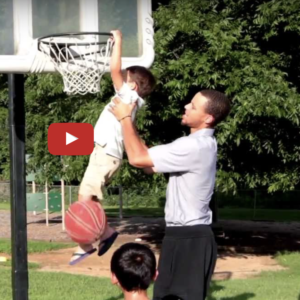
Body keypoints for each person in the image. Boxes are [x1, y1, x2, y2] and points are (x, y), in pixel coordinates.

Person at [109, 89, 231, 300]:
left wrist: (125, 117)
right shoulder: (196, 145)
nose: (186, 106)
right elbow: (147, 163)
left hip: (190, 239)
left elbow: (137, 159)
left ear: (208, 118)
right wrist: (129, 121)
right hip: (182, 235)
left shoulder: (193, 146)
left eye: (193, 106)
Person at [69, 30, 156, 265]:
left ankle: (85, 244)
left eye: (127, 80)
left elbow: (114, 70)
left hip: (105, 153)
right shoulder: (132, 103)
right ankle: (106, 234)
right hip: (106, 153)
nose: (122, 81)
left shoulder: (128, 96)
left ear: (134, 86)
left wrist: (119, 40)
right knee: (92, 198)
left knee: (84, 197)